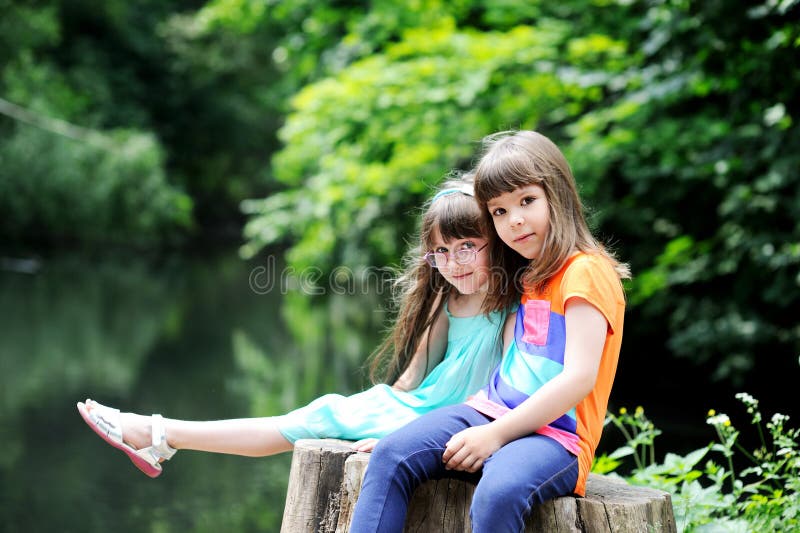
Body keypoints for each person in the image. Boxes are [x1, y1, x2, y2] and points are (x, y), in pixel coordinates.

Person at [77, 175, 514, 479]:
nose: (452, 262)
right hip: (419, 409)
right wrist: (379, 417)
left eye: (467, 247)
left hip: (457, 422)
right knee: (322, 413)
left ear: (494, 242)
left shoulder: (514, 305)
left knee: (317, 418)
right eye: (439, 251)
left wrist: (405, 437)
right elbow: (409, 383)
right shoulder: (446, 299)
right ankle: (162, 434)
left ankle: (159, 434)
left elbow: (508, 392)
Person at [349, 130, 631, 533]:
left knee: (498, 493)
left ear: (559, 193)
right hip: (489, 411)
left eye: (527, 201)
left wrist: (495, 435)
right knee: (393, 454)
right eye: (498, 212)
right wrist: (419, 442)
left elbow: (578, 378)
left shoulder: (586, 271)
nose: (514, 220)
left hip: (557, 437)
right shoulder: (528, 272)